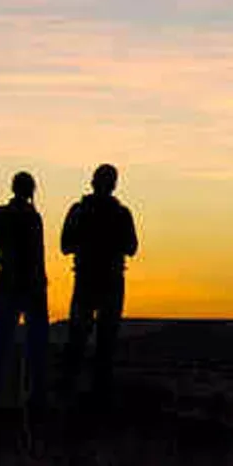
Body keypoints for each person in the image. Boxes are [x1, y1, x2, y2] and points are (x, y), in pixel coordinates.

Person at [0, 171, 49, 412]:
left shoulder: (4, 214)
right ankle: (34, 397)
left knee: (3, 341)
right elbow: (38, 254)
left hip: (12, 284)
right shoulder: (31, 217)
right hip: (31, 286)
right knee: (35, 343)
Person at [60, 163, 138, 401]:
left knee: (80, 339)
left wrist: (87, 244)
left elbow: (65, 245)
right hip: (108, 282)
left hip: (88, 280)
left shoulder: (79, 211)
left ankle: (72, 392)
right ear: (114, 185)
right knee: (104, 341)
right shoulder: (121, 213)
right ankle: (97, 394)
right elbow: (131, 247)